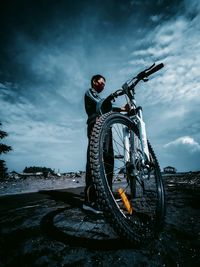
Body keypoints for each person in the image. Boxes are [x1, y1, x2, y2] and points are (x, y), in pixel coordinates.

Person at [83, 74, 128, 214]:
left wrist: (123, 110)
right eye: (102, 82)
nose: (103, 85)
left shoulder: (101, 97)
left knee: (109, 160)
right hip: (95, 125)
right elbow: (101, 104)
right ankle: (91, 200)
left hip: (106, 127)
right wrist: (120, 108)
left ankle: (106, 196)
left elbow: (108, 107)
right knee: (96, 159)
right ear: (95, 81)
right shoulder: (90, 92)